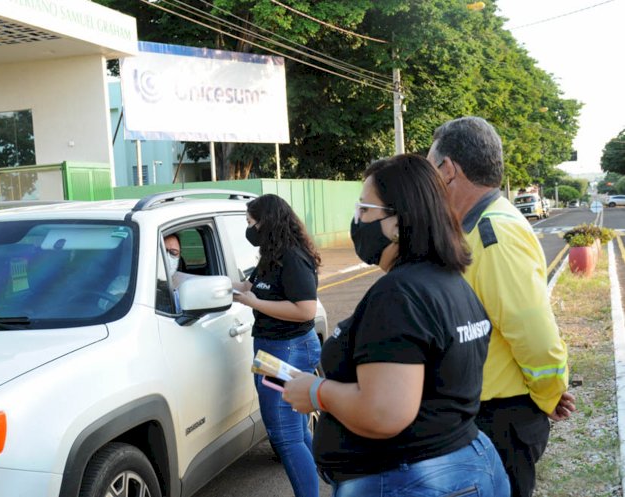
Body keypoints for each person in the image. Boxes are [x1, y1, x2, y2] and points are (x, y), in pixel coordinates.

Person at [283, 155, 510, 497]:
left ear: (395, 222)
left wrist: (315, 392)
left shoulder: (399, 294)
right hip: (463, 462)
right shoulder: (449, 281)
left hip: (409, 479)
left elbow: (384, 412)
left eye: (364, 209)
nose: (356, 220)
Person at [426, 116, 576, 497]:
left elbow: (534, 337)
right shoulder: (478, 226)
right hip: (488, 415)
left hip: (501, 420)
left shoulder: (494, 235)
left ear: (447, 171)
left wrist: (549, 393)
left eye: (430, 168)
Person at [232, 194, 322, 497]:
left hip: (288, 349)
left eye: (251, 223)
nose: (249, 230)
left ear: (267, 222)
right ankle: (333, 484)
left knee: (285, 437)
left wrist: (255, 303)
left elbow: (306, 310)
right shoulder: (271, 257)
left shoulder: (293, 258)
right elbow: (246, 287)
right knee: (295, 432)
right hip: (273, 349)